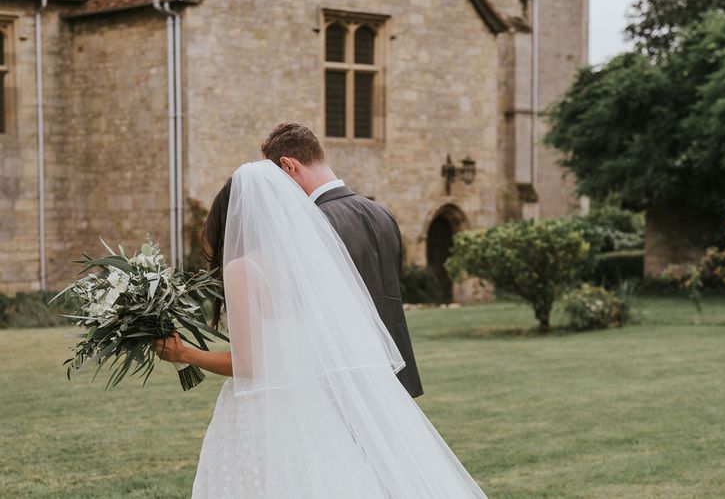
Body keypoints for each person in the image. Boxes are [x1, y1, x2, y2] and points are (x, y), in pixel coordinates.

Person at [155, 161, 486, 497]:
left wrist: (186, 354)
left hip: (264, 412)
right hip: (314, 403)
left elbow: (252, 364)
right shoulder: (307, 260)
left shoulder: (244, 268)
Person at [260, 121, 422, 397]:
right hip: (395, 375)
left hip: (341, 380)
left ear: (289, 166)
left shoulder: (311, 224)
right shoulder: (383, 213)